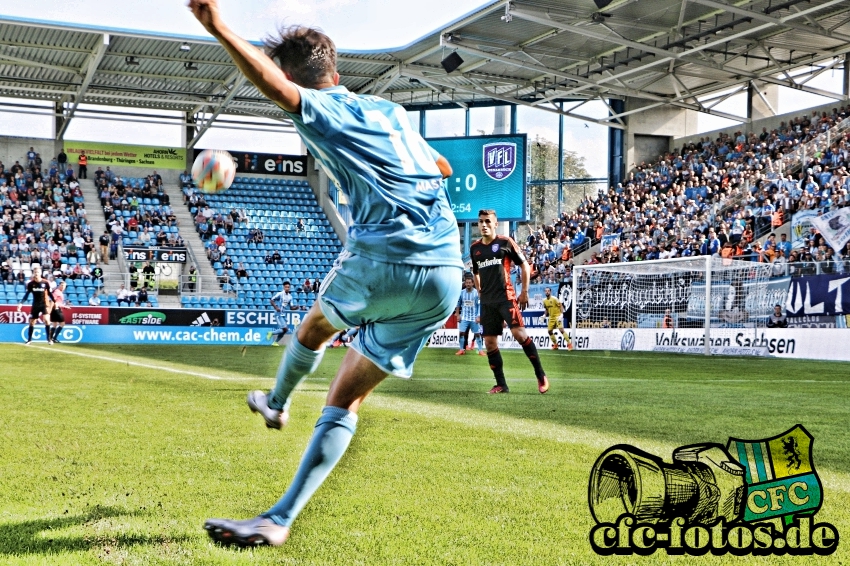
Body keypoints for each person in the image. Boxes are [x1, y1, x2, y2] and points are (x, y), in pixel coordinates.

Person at [190, 0, 462, 548]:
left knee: (314, 327)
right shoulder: (390, 112)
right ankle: (278, 519)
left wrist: (219, 27)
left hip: (384, 256)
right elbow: (443, 166)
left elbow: (275, 88)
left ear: (301, 80)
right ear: (336, 71)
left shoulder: (320, 108)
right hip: (445, 273)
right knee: (344, 400)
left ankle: (278, 402)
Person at [470, 209, 549, 395]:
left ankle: (540, 374)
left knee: (520, 335)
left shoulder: (505, 242)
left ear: (495, 224)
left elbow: (523, 265)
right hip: (488, 302)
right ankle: (501, 384)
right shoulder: (475, 248)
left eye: (487, 221)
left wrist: (524, 291)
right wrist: (480, 292)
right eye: (481, 222)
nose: (484, 225)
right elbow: (475, 272)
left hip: (506, 297)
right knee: (489, 342)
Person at [17, 267, 52, 344]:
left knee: (46, 319)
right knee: (32, 322)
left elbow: (49, 293)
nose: (36, 274)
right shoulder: (30, 284)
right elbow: (26, 294)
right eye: (35, 272)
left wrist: (54, 301)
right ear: (33, 273)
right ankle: (29, 340)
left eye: (38, 272)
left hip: (44, 304)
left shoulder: (45, 283)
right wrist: (21, 303)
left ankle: (49, 339)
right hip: (35, 305)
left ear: (41, 273)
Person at [454, 274, 485, 356]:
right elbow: (458, 303)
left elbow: (479, 305)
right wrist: (457, 314)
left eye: (469, 283)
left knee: (477, 333)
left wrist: (478, 316)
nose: (467, 284)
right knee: (461, 333)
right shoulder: (461, 292)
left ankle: (480, 350)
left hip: (474, 317)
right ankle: (461, 349)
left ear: (473, 283)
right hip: (464, 316)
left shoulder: (476, 293)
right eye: (466, 283)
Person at [542, 287, 572, 351]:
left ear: (550, 292)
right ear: (544, 292)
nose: (547, 292)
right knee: (549, 331)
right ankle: (555, 345)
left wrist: (561, 314)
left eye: (548, 291)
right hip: (551, 318)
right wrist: (544, 315)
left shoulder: (554, 299)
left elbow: (560, 305)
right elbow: (546, 309)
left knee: (561, 330)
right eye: (546, 291)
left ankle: (569, 344)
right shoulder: (544, 301)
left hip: (558, 317)